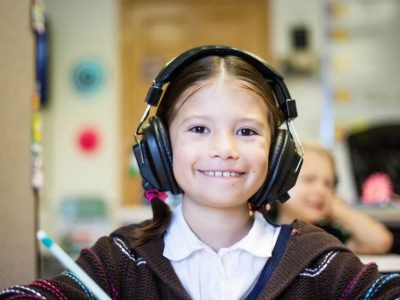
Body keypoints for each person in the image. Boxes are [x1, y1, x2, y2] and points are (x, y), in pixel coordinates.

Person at [1, 45, 399, 299]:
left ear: (278, 153)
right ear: (159, 147)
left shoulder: (317, 260)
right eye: (198, 129)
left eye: (246, 131)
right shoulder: (122, 259)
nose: (224, 150)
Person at [273, 142, 394, 255]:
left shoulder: (329, 237)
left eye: (328, 184)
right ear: (279, 182)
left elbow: (381, 242)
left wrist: (337, 209)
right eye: (309, 179)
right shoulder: (262, 230)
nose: (321, 190)